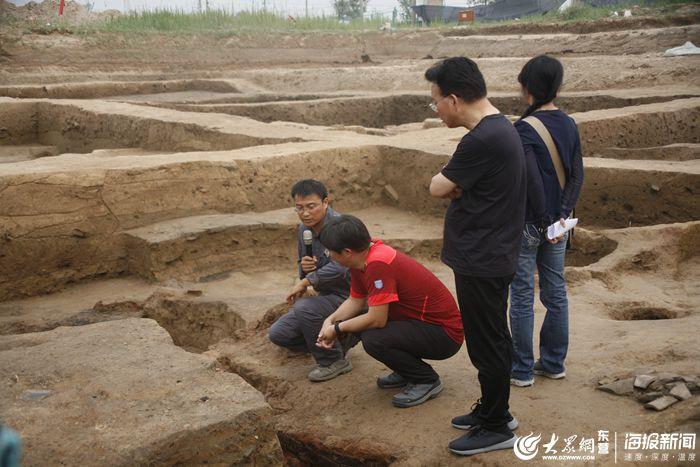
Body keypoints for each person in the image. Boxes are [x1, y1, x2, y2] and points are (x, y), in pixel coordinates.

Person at [427, 57, 526, 456]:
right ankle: (491, 407)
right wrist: (456, 183)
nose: (435, 110)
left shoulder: (482, 139)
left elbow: (437, 186)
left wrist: (451, 181)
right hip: (491, 252)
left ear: (453, 99)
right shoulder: (499, 130)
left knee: (487, 342)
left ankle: (497, 424)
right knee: (492, 337)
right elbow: (454, 184)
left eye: (435, 102)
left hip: (483, 258)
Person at [315, 215, 463, 408]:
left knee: (374, 338)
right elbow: (355, 301)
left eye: (329, 251)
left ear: (346, 252)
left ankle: (426, 380)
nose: (328, 254)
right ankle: (406, 371)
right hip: (420, 324)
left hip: (445, 334)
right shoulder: (362, 259)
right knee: (362, 325)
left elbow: (377, 319)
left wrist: (336, 329)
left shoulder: (377, 264)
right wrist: (330, 320)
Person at [508, 55, 584, 388]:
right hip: (558, 226)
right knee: (556, 293)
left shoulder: (524, 128)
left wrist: (543, 221)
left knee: (522, 295)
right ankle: (553, 363)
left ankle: (522, 370)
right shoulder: (568, 124)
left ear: (529, 87)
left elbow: (531, 181)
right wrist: (561, 217)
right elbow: (578, 175)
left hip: (529, 224)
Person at [268, 179, 355, 382]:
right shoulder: (304, 230)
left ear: (325, 202)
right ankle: (339, 338)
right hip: (324, 296)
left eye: (311, 206)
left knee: (305, 307)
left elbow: (342, 266)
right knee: (279, 334)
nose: (305, 213)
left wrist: (307, 282)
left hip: (350, 296)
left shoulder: (341, 227)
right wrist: (304, 269)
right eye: (299, 208)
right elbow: (302, 265)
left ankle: (333, 360)